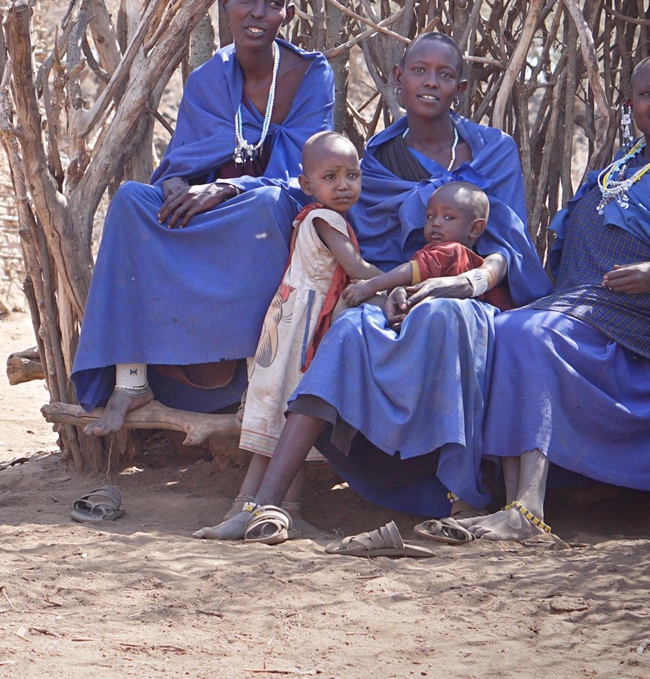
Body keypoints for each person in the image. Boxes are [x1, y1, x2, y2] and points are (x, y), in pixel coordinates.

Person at [231, 31, 551, 547]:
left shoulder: (494, 152)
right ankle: (266, 502)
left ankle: (459, 494)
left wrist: (460, 283)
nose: (431, 82)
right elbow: (369, 245)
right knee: (351, 326)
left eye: (444, 74)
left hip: (471, 296)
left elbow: (506, 238)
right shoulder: (374, 164)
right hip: (393, 291)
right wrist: (387, 293)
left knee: (444, 318)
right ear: (398, 81)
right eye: (419, 71)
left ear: (461, 86)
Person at [450, 55, 650, 541]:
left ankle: (527, 509)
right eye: (647, 94)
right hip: (588, 305)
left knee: (528, 333)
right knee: (499, 328)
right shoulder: (610, 170)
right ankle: (515, 507)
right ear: (628, 106)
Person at [72, 0, 335, 435]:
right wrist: (176, 183)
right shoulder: (208, 78)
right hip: (208, 206)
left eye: (272, 3)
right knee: (133, 199)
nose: (258, 12)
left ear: (287, 16)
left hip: (266, 205)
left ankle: (258, 383)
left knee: (265, 206)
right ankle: (132, 380)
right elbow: (183, 160)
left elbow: (305, 172)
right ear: (226, 5)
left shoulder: (309, 74)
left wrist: (230, 186)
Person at [196, 131, 377, 540]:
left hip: (292, 322)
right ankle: (247, 510)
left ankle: (277, 511)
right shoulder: (325, 218)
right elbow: (358, 269)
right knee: (284, 416)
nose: (344, 184)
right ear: (307, 185)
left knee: (283, 419)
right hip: (301, 328)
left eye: (352, 175)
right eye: (331, 176)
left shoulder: (322, 217)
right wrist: (404, 280)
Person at [340, 181, 514, 314]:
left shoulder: (451, 251)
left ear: (475, 228)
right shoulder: (456, 255)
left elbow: (410, 271)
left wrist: (370, 286)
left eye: (449, 217)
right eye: (430, 216)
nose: (436, 223)